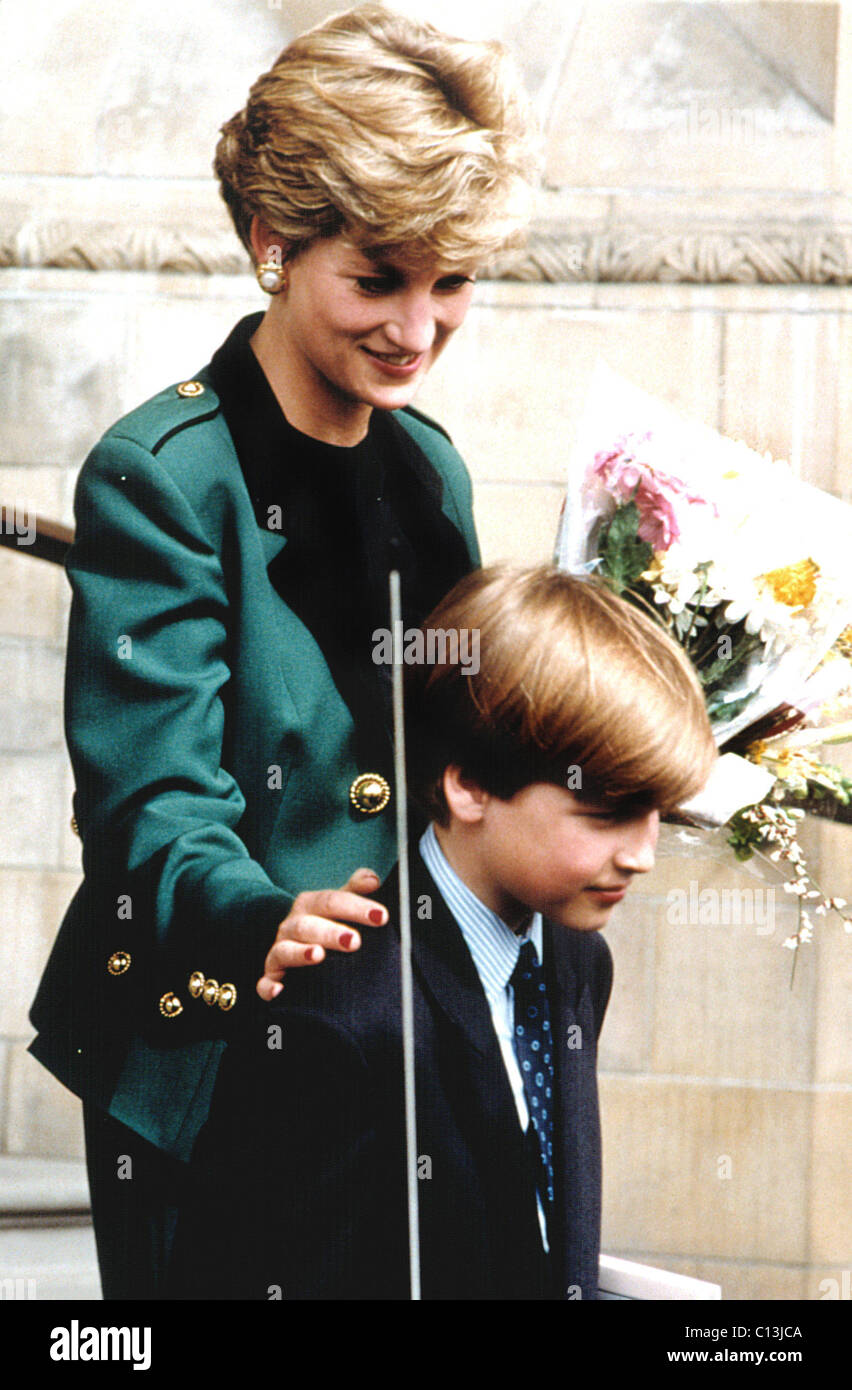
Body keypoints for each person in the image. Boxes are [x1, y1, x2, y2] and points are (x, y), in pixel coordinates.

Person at [27, 4, 535, 1299]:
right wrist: (260, 912)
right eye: (378, 278)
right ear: (272, 244)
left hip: (387, 1038)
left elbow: (450, 743)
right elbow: (152, 800)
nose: (418, 328)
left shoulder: (430, 469)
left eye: (451, 281)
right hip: (206, 1042)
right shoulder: (165, 474)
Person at [169, 564, 718, 1300]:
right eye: (608, 812)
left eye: (661, 813)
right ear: (470, 788)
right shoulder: (340, 1016)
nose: (643, 855)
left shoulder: (578, 958)